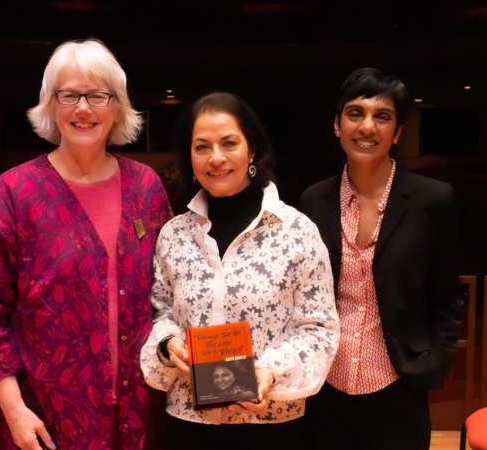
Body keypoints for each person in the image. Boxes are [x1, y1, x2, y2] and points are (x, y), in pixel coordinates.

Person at [0, 38, 173, 450]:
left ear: (116, 107)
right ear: (50, 104)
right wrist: (15, 411)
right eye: (69, 95)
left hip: (137, 410)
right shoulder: (12, 194)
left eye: (97, 95)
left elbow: (168, 294)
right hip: (42, 414)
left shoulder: (146, 188)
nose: (83, 109)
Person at [140, 92, 340, 450]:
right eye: (202, 146)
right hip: (189, 424)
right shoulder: (174, 234)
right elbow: (161, 314)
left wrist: (271, 373)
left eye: (229, 143)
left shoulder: (296, 231)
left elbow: (318, 328)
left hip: (269, 424)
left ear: (251, 151)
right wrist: (168, 345)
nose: (216, 158)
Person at [300, 68, 462, 449]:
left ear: (398, 132)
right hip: (325, 388)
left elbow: (447, 295)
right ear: (337, 125)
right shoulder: (313, 200)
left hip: (398, 386)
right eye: (355, 113)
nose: (367, 127)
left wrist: (431, 364)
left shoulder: (433, 200)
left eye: (383, 116)